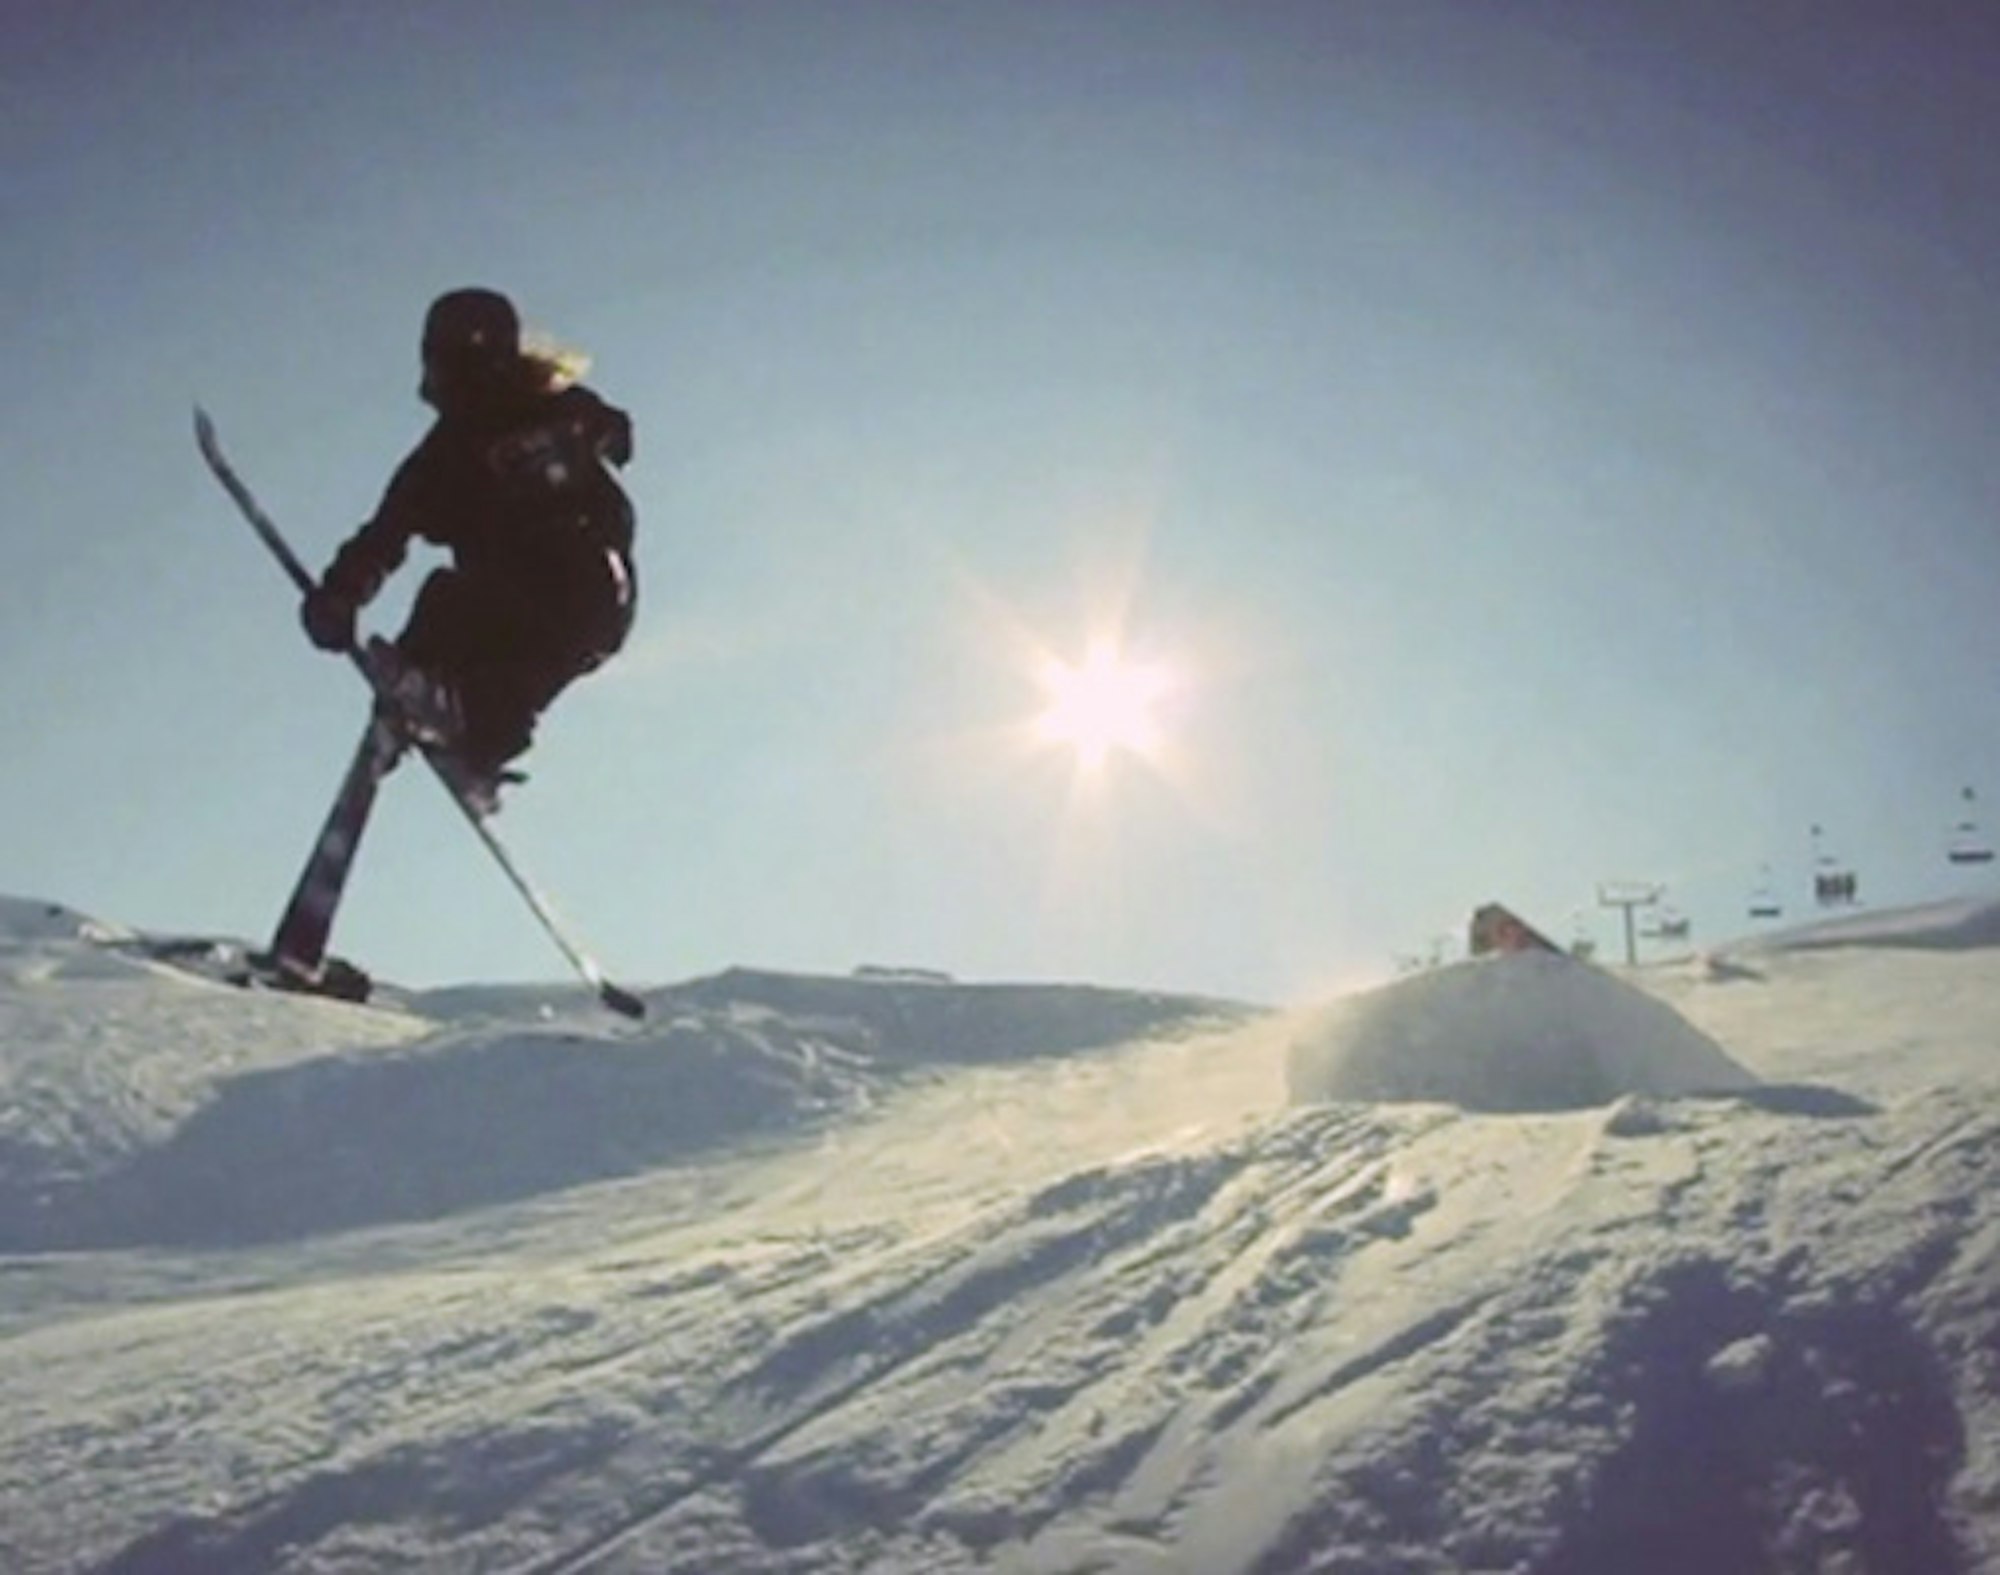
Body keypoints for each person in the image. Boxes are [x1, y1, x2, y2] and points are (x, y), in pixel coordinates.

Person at [300, 287, 637, 811]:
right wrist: (340, 595)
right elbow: (384, 534)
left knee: (453, 605)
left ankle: (442, 702)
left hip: (582, 588)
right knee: (470, 625)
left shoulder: (550, 409)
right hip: (552, 608)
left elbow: (614, 428)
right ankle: (473, 737)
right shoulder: (440, 460)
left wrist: (593, 438)